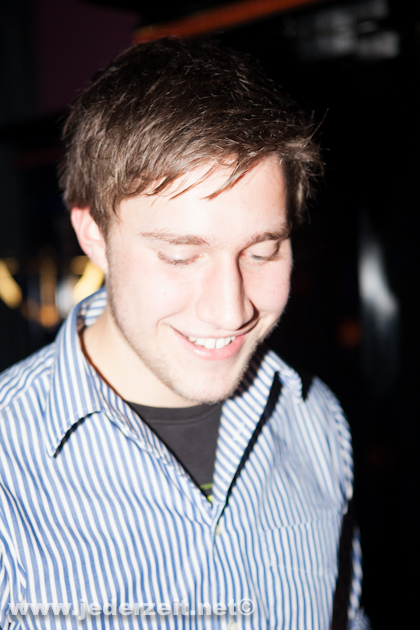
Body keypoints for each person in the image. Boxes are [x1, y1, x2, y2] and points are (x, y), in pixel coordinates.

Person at [0, 37, 369, 629]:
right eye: (179, 255)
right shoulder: (8, 465)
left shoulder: (315, 418)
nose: (229, 311)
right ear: (93, 234)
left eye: (263, 251)